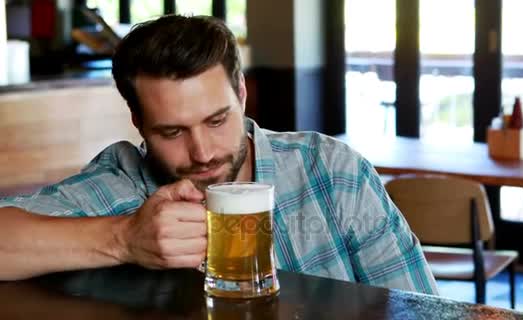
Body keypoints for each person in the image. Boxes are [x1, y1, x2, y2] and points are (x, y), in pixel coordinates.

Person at [0, 15, 437, 294]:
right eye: (172, 131)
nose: (202, 152)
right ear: (137, 120)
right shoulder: (125, 184)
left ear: (243, 94)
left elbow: (416, 306)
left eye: (216, 120)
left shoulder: (331, 170)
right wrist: (123, 239)